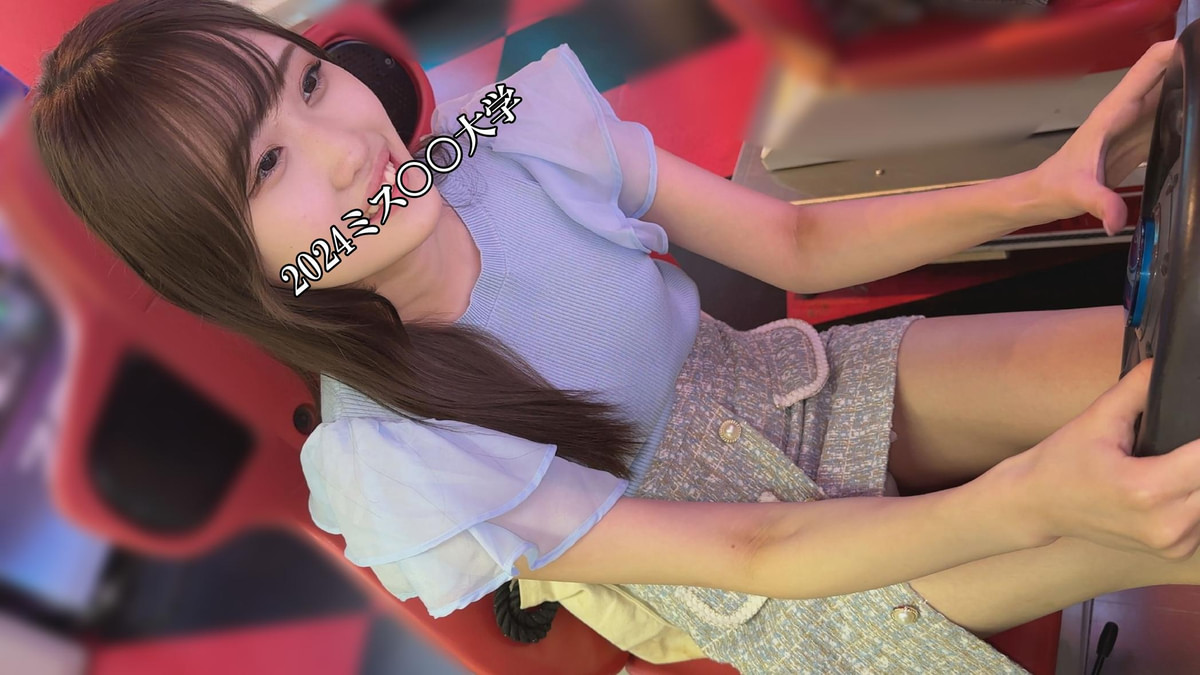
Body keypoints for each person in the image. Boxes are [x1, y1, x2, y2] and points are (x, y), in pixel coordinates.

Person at [27, 0, 1200, 672]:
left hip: (787, 387)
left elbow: (793, 242)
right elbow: (760, 556)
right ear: (220, 260)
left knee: (1168, 361)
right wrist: (1025, 499)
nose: (345, 145)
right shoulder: (397, 461)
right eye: (268, 164)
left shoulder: (512, 136)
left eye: (309, 83)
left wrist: (1035, 189)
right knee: (1165, 516)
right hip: (764, 578)